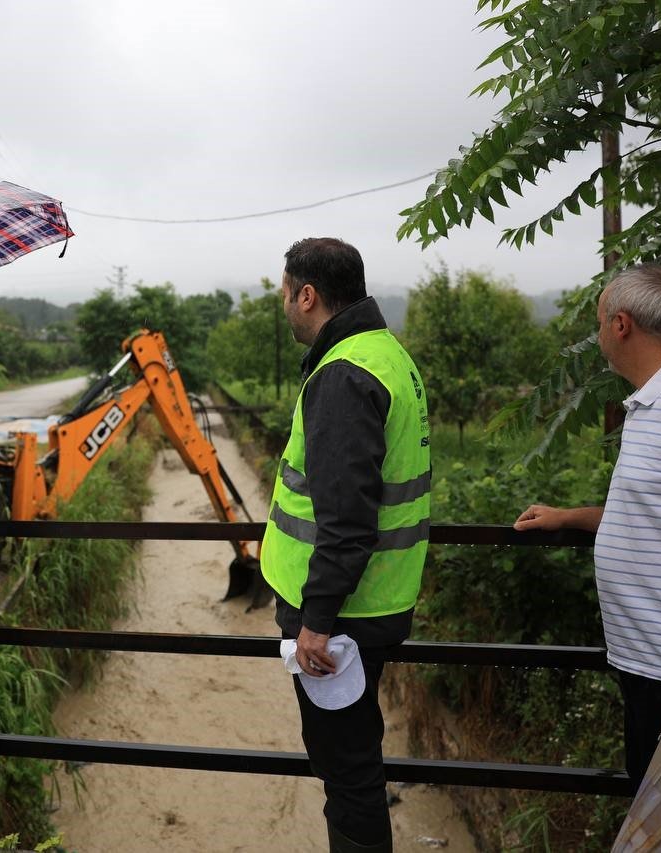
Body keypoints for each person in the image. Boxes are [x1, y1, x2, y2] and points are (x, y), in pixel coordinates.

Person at [259, 238, 431, 853]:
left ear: (307, 296)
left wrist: (316, 620)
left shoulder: (342, 375)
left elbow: (346, 519)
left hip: (340, 620)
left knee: (347, 773)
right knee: (354, 763)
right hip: (373, 603)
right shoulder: (387, 354)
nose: (283, 306)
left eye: (284, 293)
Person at [515, 265, 661, 790]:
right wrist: (572, 518)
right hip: (645, 664)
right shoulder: (651, 403)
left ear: (621, 325)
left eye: (600, 320)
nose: (597, 334)